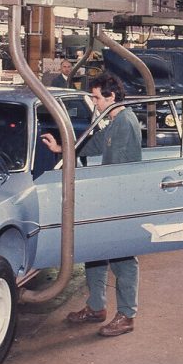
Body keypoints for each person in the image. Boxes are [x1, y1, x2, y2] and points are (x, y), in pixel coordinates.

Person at [41, 73, 141, 337]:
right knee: (95, 252)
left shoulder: (125, 123)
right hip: (107, 197)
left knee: (122, 258)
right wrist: (62, 148)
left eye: (97, 98)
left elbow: (116, 170)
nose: (94, 103)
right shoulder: (114, 121)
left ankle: (127, 316)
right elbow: (94, 144)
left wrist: (98, 197)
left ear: (111, 97)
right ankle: (96, 307)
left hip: (118, 200)